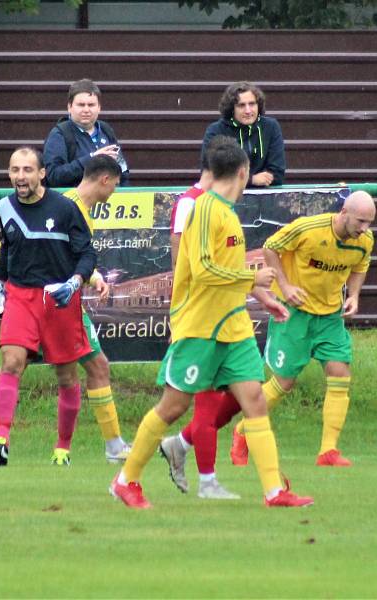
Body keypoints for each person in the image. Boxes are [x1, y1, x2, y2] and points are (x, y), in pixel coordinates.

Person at [109, 140, 313, 509]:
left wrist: (261, 295)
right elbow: (204, 271)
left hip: (232, 327)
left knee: (254, 401)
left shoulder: (227, 211)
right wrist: (252, 277)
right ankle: (125, 481)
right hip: (199, 327)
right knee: (173, 407)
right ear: (243, 172)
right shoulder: (205, 209)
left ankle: (274, 492)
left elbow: (226, 272)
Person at [0, 155, 130, 466]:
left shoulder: (74, 206)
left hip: (61, 293)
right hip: (49, 296)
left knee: (27, 367)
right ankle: (110, 446)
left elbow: (73, 251)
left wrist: (92, 275)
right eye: (116, 183)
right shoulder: (68, 204)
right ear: (105, 180)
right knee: (72, 367)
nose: (116, 190)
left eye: (27, 169)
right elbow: (13, 242)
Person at [225, 191, 375, 468]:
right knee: (284, 382)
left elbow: (360, 267)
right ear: (344, 212)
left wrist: (354, 295)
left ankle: (328, 451)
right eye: (360, 221)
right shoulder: (308, 228)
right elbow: (271, 246)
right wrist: (284, 286)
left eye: (369, 223)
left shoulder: (364, 241)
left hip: (329, 315)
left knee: (339, 372)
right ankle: (242, 432)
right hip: (294, 314)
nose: (364, 229)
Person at [160, 137, 243, 499]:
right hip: (199, 318)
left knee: (245, 395)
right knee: (192, 402)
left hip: (226, 316)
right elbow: (184, 262)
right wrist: (180, 310)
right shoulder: (192, 204)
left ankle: (179, 444)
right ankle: (205, 479)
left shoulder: (223, 205)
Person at [43, 79, 129, 188]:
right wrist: (92, 159)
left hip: (110, 203)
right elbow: (54, 176)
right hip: (73, 203)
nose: (86, 110)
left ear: (99, 108)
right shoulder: (59, 134)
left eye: (91, 105)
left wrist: (123, 194)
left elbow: (123, 171)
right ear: (69, 107)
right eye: (81, 105)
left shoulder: (105, 130)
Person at [201, 81, 285, 188]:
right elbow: (211, 174)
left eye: (252, 104)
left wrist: (234, 178)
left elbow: (277, 174)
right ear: (232, 109)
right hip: (227, 199)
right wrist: (251, 179)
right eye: (241, 105)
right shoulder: (216, 130)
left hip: (265, 199)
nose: (248, 110)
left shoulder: (271, 127)